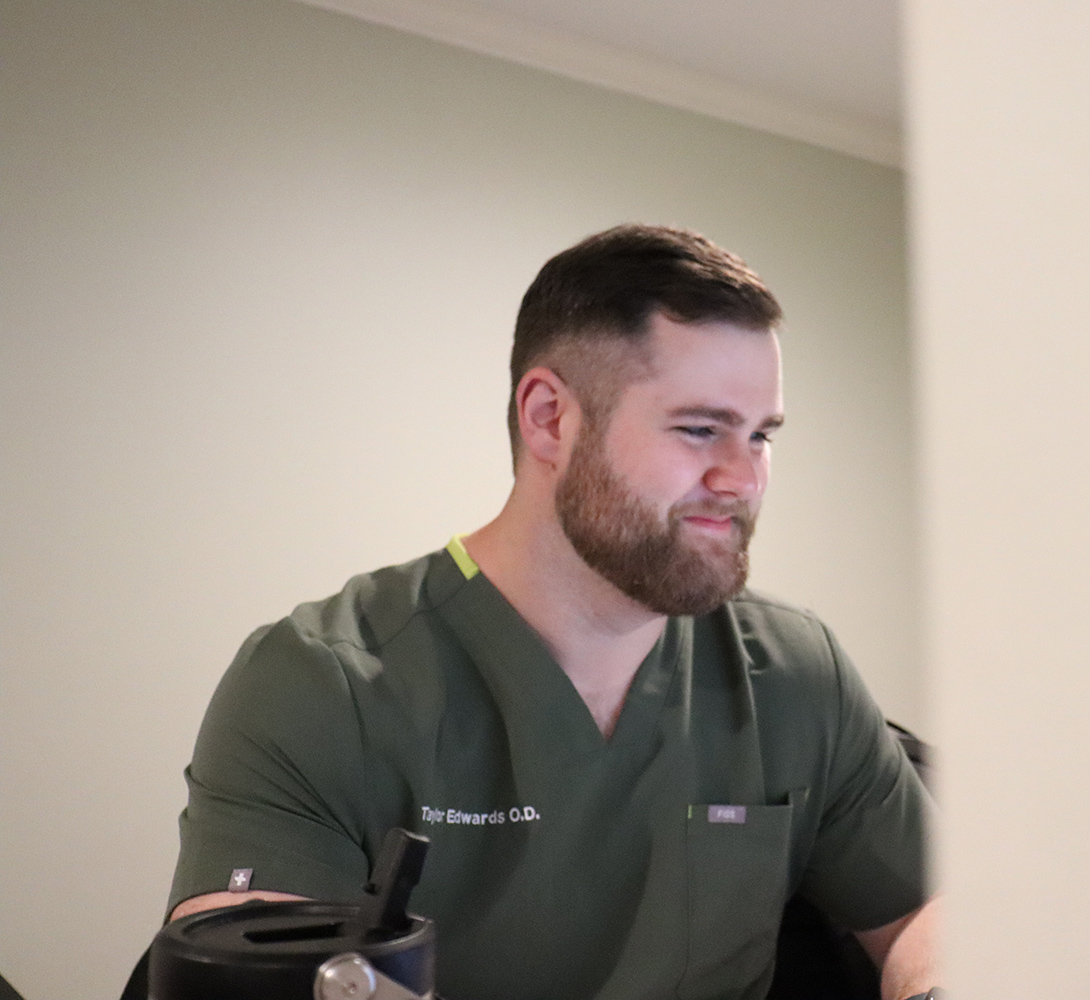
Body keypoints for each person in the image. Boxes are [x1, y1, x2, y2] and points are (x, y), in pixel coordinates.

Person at [167, 224, 939, 1000]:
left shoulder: (797, 675)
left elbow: (925, 913)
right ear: (549, 419)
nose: (743, 479)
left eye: (761, 436)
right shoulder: (320, 687)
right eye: (701, 429)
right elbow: (247, 977)